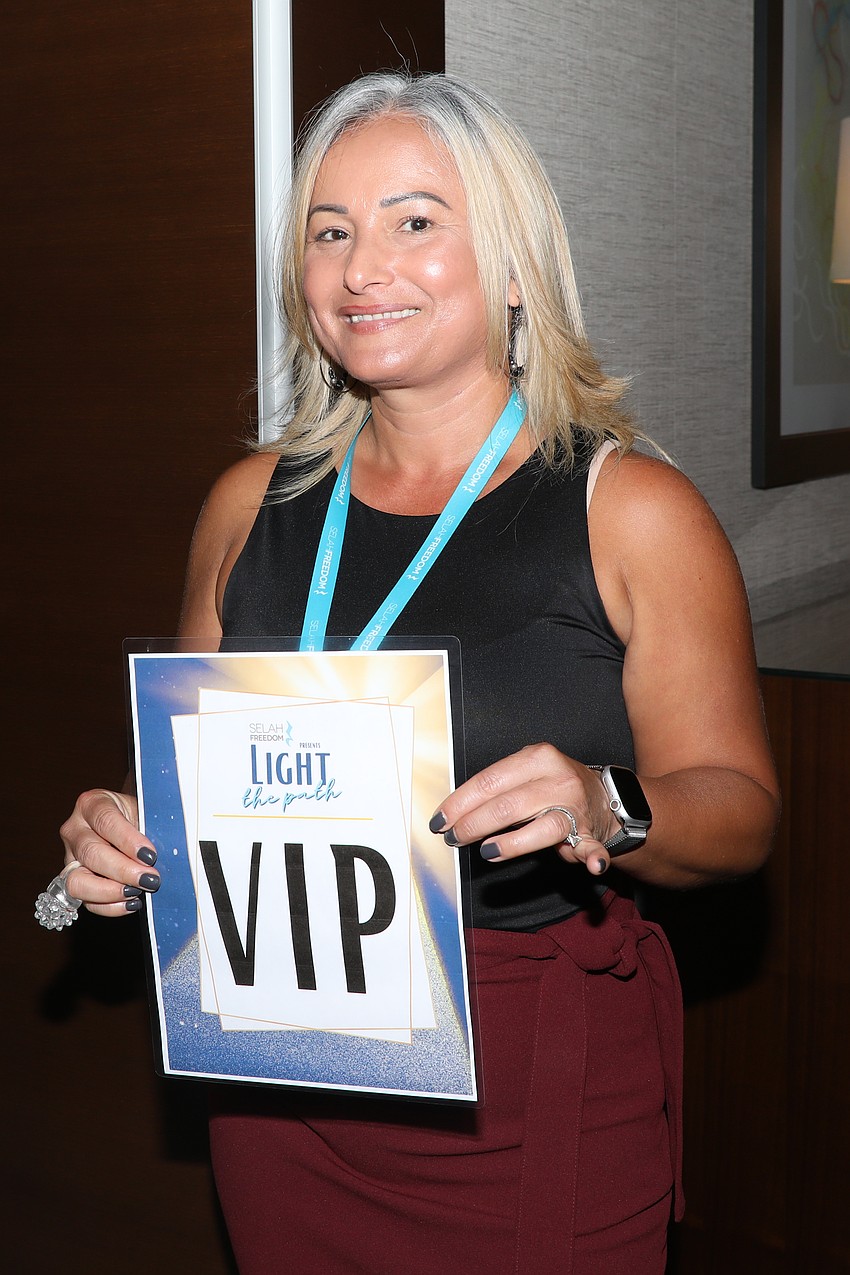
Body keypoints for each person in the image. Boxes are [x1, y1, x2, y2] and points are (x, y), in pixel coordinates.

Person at [52, 71, 779, 1273]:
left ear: (509, 266)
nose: (360, 266)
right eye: (329, 232)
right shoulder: (247, 506)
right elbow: (188, 795)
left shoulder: (629, 508)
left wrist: (609, 802)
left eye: (414, 221)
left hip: (529, 1086)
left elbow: (740, 812)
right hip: (283, 1073)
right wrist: (118, 842)